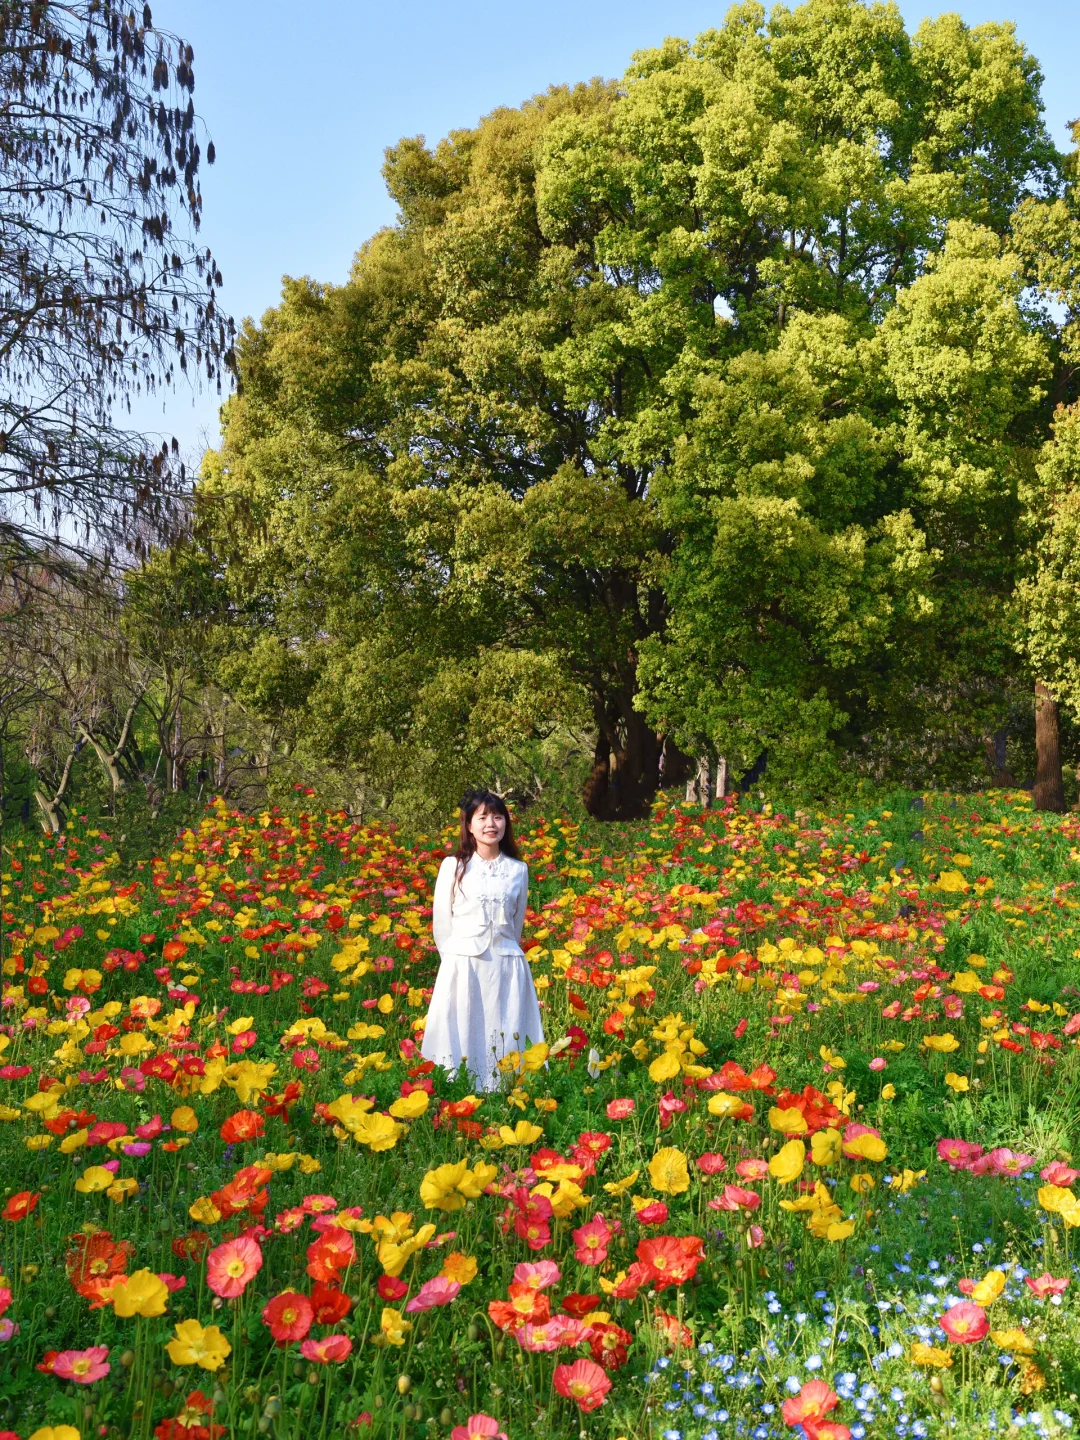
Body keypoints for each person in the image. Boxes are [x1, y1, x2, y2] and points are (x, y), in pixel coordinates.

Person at [421, 788, 544, 1092]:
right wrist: (453, 961)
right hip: (462, 964)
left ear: (506, 823)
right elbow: (442, 923)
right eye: (483, 817)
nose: (492, 824)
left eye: (498, 816)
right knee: (463, 1026)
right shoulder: (454, 866)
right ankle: (458, 1089)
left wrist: (504, 952)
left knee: (506, 1027)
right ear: (469, 825)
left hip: (506, 964)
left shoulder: (518, 870)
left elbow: (516, 925)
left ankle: (505, 1090)